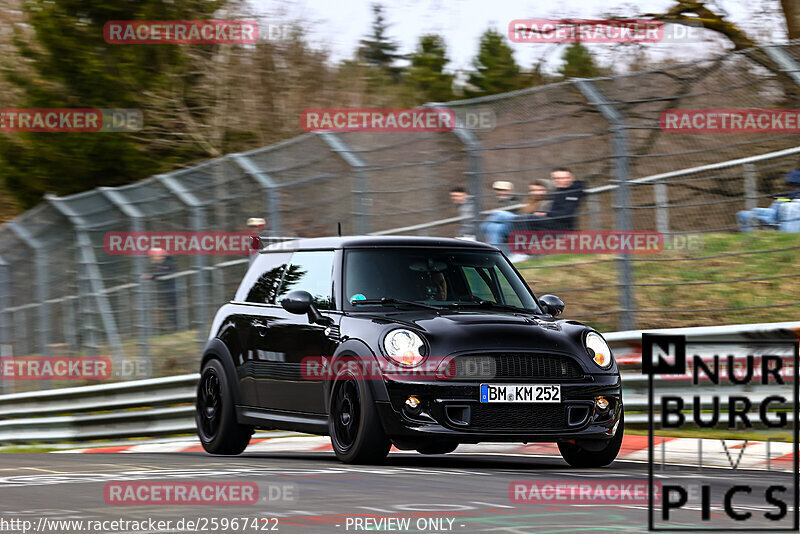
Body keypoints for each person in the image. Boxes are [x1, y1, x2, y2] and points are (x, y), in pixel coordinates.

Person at [141, 247, 178, 329]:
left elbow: (164, 274)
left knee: (174, 308)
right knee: (171, 309)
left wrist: (152, 276)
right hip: (168, 289)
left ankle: (177, 326)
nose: (153, 258)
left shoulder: (167, 264)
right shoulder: (162, 264)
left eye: (154, 256)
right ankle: (175, 326)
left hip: (172, 289)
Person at [480, 180, 519, 249]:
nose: (501, 193)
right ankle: (493, 250)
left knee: (498, 214)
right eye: (499, 190)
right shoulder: (499, 203)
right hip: (504, 227)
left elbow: (513, 217)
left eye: (504, 190)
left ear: (511, 191)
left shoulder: (516, 200)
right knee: (493, 227)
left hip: (516, 225)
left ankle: (481, 228)